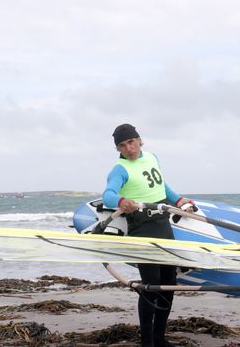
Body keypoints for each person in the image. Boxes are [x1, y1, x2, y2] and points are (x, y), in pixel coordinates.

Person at [102, 123, 194, 347]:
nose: (129, 149)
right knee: (150, 286)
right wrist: (122, 202)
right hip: (142, 229)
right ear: (118, 149)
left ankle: (160, 338)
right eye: (122, 146)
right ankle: (147, 342)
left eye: (131, 142)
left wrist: (179, 200)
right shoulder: (120, 170)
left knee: (169, 284)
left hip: (162, 225)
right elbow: (108, 195)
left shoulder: (152, 157)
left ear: (139, 140)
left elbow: (162, 186)